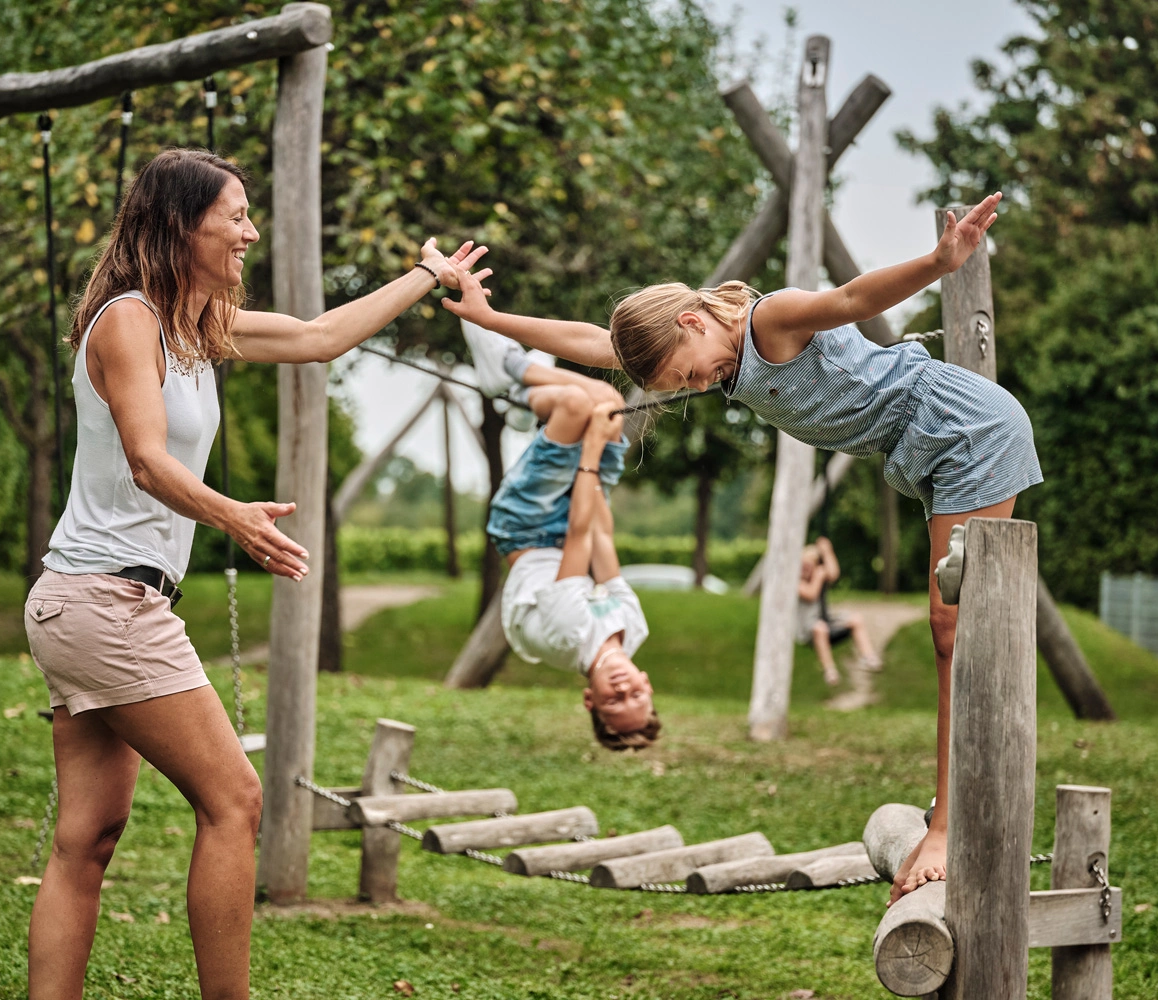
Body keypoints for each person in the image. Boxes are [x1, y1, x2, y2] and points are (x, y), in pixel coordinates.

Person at [442, 193, 1036, 902]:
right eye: (687, 387)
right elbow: (594, 342)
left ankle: (948, 820)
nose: (702, 385)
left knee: (950, 627)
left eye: (690, 374)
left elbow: (852, 296)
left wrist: (939, 264)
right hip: (922, 449)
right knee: (957, 626)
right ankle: (955, 804)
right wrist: (487, 319)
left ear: (692, 321)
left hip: (962, 429)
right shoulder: (696, 342)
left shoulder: (771, 319)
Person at [22, 148, 489, 1000]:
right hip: (104, 600)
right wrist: (231, 514)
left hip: (85, 601)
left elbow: (317, 338)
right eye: (233, 216)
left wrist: (424, 275)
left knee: (86, 836)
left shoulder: (196, 325)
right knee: (235, 798)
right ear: (178, 224)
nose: (249, 231)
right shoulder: (128, 319)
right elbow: (146, 459)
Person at [463, 319, 660, 750]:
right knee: (607, 402)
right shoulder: (634, 629)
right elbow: (602, 542)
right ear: (647, 684)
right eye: (636, 694)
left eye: (614, 699)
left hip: (526, 527)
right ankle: (525, 400)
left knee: (575, 405)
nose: (624, 686)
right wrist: (601, 465)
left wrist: (591, 450)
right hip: (577, 518)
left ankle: (512, 371)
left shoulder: (569, 636)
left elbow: (579, 538)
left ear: (590, 699)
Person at [796, 536, 882, 685]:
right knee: (820, 628)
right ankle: (830, 670)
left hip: (826, 620)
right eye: (803, 566)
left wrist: (827, 551)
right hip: (807, 629)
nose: (806, 570)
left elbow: (834, 573)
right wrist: (819, 576)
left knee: (855, 619)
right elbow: (810, 595)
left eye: (809, 567)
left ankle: (868, 657)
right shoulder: (796, 583)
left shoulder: (818, 576)